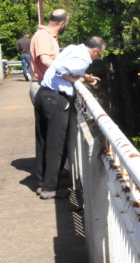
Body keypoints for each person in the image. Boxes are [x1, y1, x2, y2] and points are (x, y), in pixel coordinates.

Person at [34, 36, 104, 199]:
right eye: (99, 54)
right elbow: (61, 69)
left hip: (43, 95)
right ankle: (50, 189)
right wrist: (73, 80)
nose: (98, 58)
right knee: (57, 145)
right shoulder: (84, 59)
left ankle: (41, 183)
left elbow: (64, 66)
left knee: (42, 141)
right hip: (56, 99)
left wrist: (86, 77)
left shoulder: (73, 48)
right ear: (93, 50)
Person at [29, 9, 69, 104]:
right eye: (66, 24)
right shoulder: (43, 35)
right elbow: (45, 60)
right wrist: (67, 73)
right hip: (43, 86)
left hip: (46, 87)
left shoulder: (49, 36)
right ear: (62, 24)